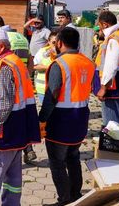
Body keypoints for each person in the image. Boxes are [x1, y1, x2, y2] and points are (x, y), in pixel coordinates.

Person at [0, 27, 41, 206]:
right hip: (16, 134)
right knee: (13, 181)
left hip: (1, 137)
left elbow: (4, 103)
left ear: (0, 46)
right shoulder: (16, 62)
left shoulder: (4, 67)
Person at [39, 28, 97, 206]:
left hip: (61, 121)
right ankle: (76, 194)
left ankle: (64, 200)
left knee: (57, 162)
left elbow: (51, 95)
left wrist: (41, 120)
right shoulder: (88, 62)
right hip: (80, 119)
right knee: (73, 157)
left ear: (60, 43)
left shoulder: (60, 64)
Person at [0, 15, 37, 164]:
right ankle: (28, 149)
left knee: (11, 120)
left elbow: (3, 65)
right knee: (23, 119)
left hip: (9, 83)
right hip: (23, 80)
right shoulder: (20, 37)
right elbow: (30, 59)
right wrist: (28, 77)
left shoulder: (2, 38)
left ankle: (21, 151)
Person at [33, 31, 58, 103]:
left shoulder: (63, 52)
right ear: (49, 42)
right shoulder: (42, 51)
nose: (56, 45)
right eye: (53, 42)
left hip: (59, 90)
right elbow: (34, 66)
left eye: (58, 42)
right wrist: (50, 67)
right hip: (43, 89)